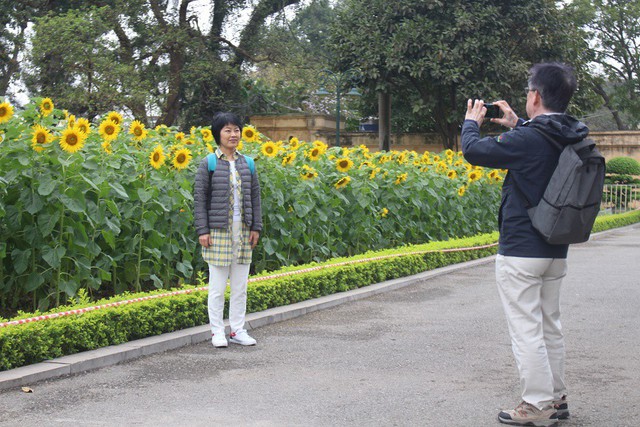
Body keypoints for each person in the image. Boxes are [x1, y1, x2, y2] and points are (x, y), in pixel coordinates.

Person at [461, 63, 588, 426]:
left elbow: (473, 152)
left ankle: (535, 404)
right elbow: (541, 152)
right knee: (550, 326)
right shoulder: (570, 133)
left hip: (521, 250)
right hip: (555, 247)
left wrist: (471, 121)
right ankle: (557, 398)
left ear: (535, 95)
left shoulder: (532, 138)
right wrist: (519, 125)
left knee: (526, 330)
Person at [193, 112, 262, 348]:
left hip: (243, 232)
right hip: (218, 231)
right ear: (217, 134)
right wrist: (203, 230)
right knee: (217, 287)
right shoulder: (209, 163)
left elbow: (255, 197)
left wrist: (256, 227)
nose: (233, 135)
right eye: (227, 130)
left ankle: (238, 330)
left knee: (240, 287)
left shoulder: (247, 163)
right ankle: (217, 332)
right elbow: (199, 199)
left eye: (236, 130)